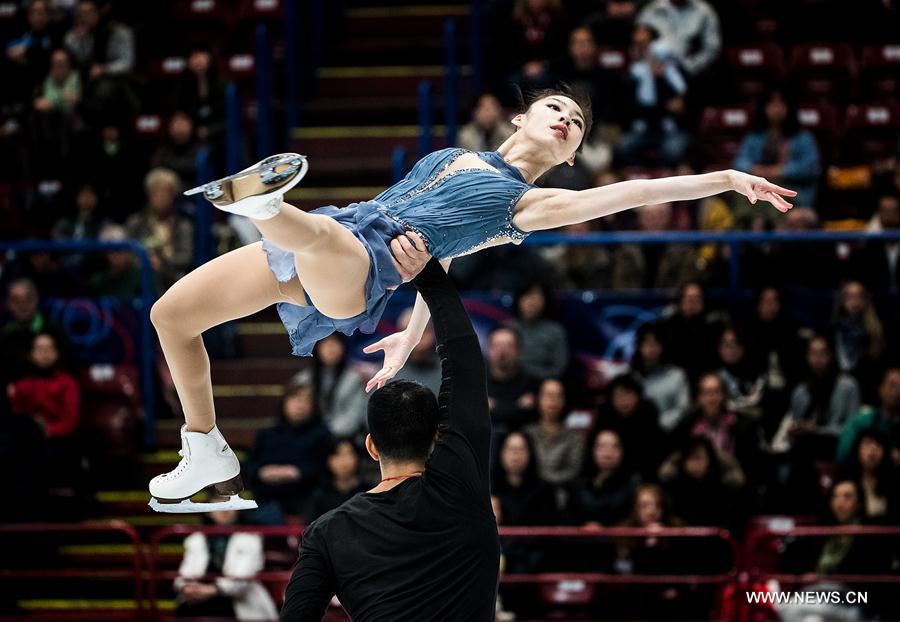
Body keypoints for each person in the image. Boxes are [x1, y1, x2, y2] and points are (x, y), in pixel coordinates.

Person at [147, 85, 795, 508]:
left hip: (357, 266)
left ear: (571, 157)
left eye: (575, 124)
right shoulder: (458, 153)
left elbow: (638, 193)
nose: (567, 119)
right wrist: (407, 335)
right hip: (345, 229)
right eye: (556, 108)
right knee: (171, 315)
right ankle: (204, 446)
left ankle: (260, 205)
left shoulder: (530, 203)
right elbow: (448, 256)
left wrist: (728, 179)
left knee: (319, 233)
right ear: (521, 116)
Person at [280, 258, 500, 620]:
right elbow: (465, 364)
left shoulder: (328, 531)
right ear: (437, 437)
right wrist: (427, 271)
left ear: (370, 446)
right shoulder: (461, 484)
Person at [174, 497, 278, 621]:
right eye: (217, 503)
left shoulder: (251, 538)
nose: (223, 509)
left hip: (235, 600)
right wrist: (186, 588)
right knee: (185, 610)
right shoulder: (195, 539)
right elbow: (184, 574)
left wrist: (213, 590)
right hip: (198, 598)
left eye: (229, 503)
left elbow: (242, 578)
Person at [244, 382, 332, 521]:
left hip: (306, 496)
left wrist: (298, 472)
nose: (300, 405)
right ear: (284, 403)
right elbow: (250, 466)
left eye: (305, 401)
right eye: (295, 399)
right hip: (268, 496)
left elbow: (326, 468)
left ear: (313, 406)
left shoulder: (322, 435)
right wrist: (262, 472)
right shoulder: (267, 434)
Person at [734, 87, 821, 209]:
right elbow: (740, 163)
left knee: (771, 198)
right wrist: (755, 170)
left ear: (789, 107)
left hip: (793, 190)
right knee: (748, 196)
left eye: (781, 103)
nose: (776, 108)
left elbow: (810, 167)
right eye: (772, 103)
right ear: (764, 107)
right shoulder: (754, 137)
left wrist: (780, 171)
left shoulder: (803, 138)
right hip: (760, 187)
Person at [522, 378, 584, 485]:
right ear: (538, 399)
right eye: (548, 395)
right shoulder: (527, 434)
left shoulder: (575, 437)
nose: (553, 400)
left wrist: (544, 480)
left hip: (563, 492)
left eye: (558, 396)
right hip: (529, 492)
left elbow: (574, 471)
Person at [629, 324, 690, 431]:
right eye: (646, 343)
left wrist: (656, 424)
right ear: (639, 346)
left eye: (655, 343)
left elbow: (683, 409)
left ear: (663, 346)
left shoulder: (676, 375)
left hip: (669, 434)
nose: (651, 348)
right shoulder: (631, 376)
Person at [508, 281, 568, 379]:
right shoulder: (507, 329)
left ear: (545, 300)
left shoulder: (555, 331)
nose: (532, 301)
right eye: (527, 295)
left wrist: (529, 374)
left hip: (542, 384)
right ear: (518, 299)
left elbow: (559, 369)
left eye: (537, 296)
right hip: (510, 382)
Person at [304, 438, 368, 523]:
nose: (343, 460)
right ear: (328, 460)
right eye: (337, 454)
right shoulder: (319, 495)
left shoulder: (368, 493)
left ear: (357, 458)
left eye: (349, 454)